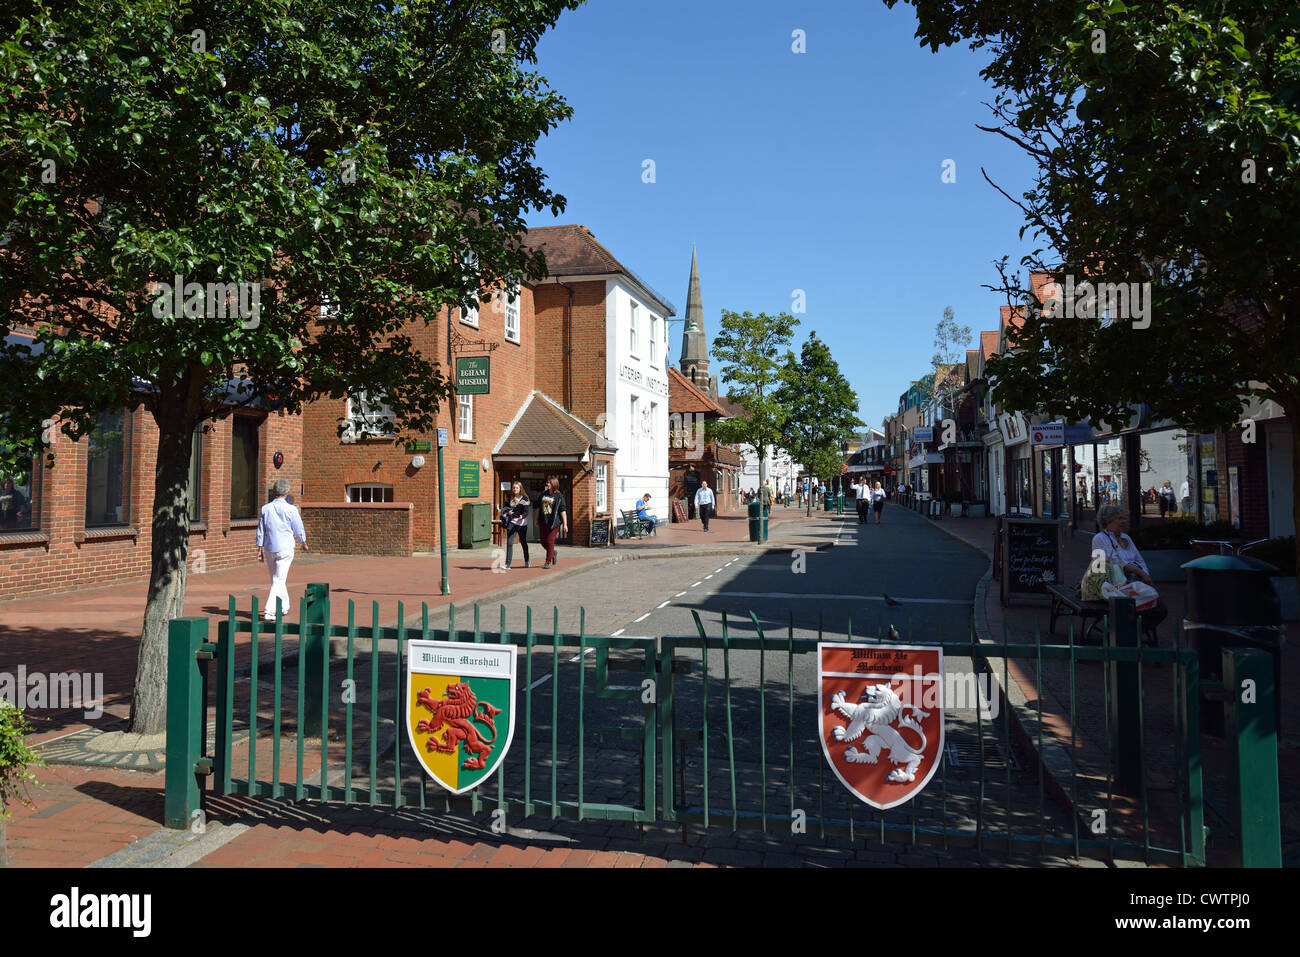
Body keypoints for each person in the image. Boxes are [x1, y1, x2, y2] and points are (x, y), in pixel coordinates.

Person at [1091, 504, 1167, 643]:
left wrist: (1145, 576)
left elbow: (1139, 559)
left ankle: (1134, 632)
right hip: (1112, 585)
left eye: (1124, 518)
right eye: (1119, 518)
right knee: (1151, 607)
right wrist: (1141, 574)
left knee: (1159, 608)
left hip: (1134, 583)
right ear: (1108, 521)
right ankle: (1129, 634)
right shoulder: (1099, 538)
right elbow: (1115, 563)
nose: (1123, 522)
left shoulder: (1126, 538)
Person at [257, 478, 308, 621]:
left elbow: (261, 530)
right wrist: (303, 541)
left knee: (277, 579)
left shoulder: (265, 508)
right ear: (286, 492)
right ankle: (269, 611)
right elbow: (298, 527)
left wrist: (259, 549)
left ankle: (284, 605)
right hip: (285, 548)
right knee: (279, 579)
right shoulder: (291, 509)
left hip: (270, 547)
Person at [537, 474, 568, 568]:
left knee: (550, 541)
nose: (547, 484)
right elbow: (538, 508)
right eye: (547, 482)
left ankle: (548, 562)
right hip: (543, 521)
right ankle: (553, 552)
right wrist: (536, 519)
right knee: (543, 542)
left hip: (553, 522)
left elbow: (563, 511)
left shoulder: (559, 496)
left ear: (554, 484)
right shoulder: (543, 494)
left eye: (549, 482)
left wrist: (565, 524)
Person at [500, 481, 530, 569]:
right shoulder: (509, 498)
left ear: (520, 489)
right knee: (509, 543)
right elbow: (505, 508)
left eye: (517, 488)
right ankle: (507, 564)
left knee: (523, 542)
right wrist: (508, 512)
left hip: (522, 524)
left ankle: (527, 560)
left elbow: (525, 512)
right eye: (514, 488)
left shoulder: (525, 499)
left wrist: (520, 515)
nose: (515, 489)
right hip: (512, 523)